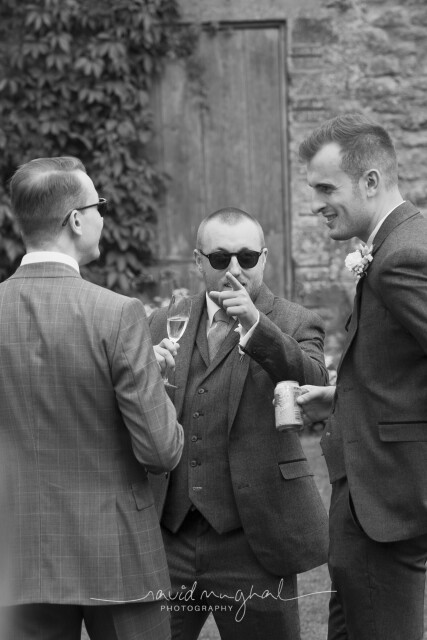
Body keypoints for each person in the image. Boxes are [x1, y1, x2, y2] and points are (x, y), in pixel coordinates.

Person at [1, 156, 184, 640]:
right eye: (98, 205)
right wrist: (157, 389)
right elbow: (161, 450)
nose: (103, 215)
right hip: (116, 549)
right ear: (76, 220)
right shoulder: (117, 313)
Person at [148, 207, 329, 640]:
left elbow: (317, 382)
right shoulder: (164, 321)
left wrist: (255, 324)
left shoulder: (295, 320)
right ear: (198, 261)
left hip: (255, 538)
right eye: (220, 258)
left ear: (263, 258)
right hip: (169, 535)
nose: (234, 268)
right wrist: (145, 377)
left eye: (247, 257)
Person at [297, 113, 427, 640]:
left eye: (327, 188)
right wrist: (341, 397)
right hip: (367, 495)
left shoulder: (402, 255)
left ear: (370, 181)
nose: (316, 203)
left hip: (387, 497)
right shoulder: (399, 239)